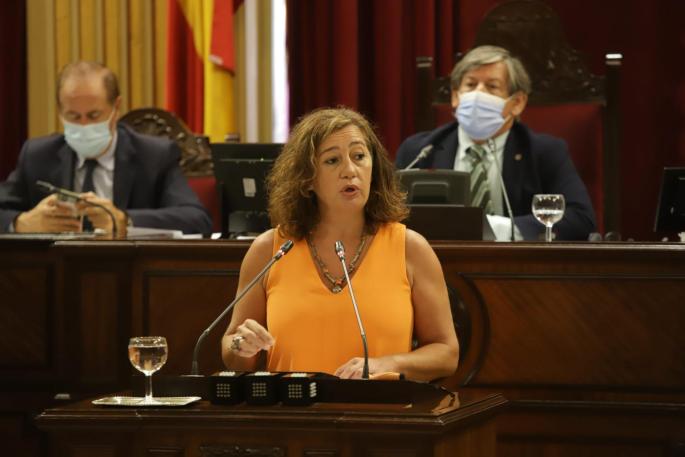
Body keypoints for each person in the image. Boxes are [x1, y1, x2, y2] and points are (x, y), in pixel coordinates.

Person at [221, 108, 459, 381]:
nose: (350, 170)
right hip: (295, 406)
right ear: (307, 179)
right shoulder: (269, 249)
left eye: (359, 157)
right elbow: (232, 352)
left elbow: (446, 353)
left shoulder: (410, 248)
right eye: (332, 160)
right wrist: (241, 345)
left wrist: (386, 364)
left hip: (379, 406)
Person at [395, 45, 596, 241]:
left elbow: (580, 218)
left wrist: (495, 229)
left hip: (515, 260)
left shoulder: (544, 152)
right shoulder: (419, 151)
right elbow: (389, 216)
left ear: (517, 103)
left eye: (492, 86)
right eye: (470, 85)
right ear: (455, 96)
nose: (478, 94)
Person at [0, 61, 212, 235]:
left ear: (116, 108)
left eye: (94, 115)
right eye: (73, 116)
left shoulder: (154, 155)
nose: (84, 125)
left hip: (129, 268)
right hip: (59, 269)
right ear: (60, 112)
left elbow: (196, 218)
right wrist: (22, 222)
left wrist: (124, 220)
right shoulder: (37, 155)